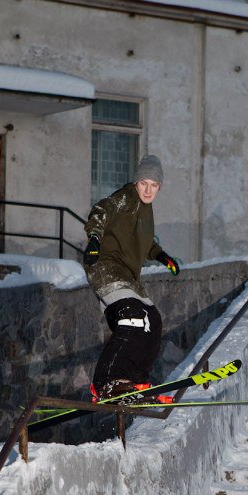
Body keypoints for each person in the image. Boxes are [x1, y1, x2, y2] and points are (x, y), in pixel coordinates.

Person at [82, 154, 182, 400]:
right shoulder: (125, 197)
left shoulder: (146, 210)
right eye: (143, 183)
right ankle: (106, 382)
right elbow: (100, 211)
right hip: (106, 267)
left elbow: (146, 243)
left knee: (153, 322)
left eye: (154, 185)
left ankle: (130, 382)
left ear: (159, 187)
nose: (148, 190)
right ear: (136, 182)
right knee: (134, 318)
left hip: (128, 277)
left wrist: (161, 256)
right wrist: (94, 238)